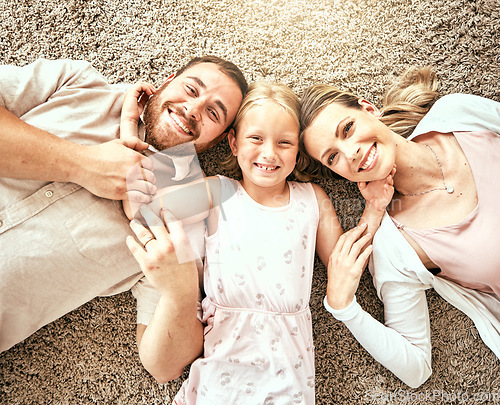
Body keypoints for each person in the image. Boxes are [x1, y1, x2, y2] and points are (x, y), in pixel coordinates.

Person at [125, 81, 395, 403]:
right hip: (223, 361)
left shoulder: (312, 198)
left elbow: (345, 263)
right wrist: (131, 127)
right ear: (234, 143)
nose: (269, 153)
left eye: (284, 142)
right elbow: (145, 210)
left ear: (298, 151)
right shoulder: (219, 192)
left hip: (288, 367)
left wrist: (374, 209)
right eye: (256, 139)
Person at [0, 55, 247, 352]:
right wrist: (80, 163)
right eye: (191, 90)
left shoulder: (184, 218)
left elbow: (164, 365)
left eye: (213, 113)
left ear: (219, 140)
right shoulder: (78, 81)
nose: (192, 110)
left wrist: (180, 293)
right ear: (167, 81)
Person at [298, 66, 500, 388]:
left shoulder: (456, 113)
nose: (350, 153)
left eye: (347, 128)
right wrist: (343, 307)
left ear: (368, 109)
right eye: (332, 157)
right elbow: (416, 367)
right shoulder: (397, 246)